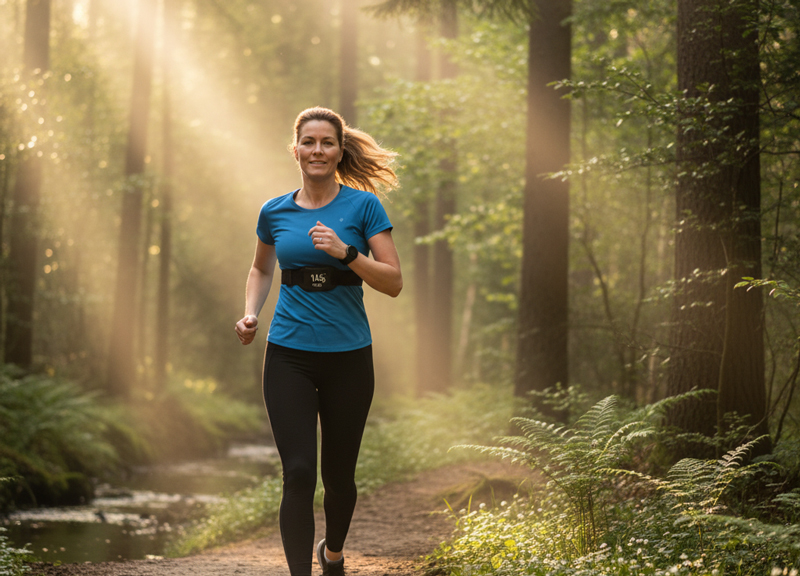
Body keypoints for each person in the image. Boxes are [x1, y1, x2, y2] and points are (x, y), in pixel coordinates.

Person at [234, 106, 402, 576]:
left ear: (339, 150)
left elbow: (392, 281)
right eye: (309, 142)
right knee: (300, 473)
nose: (317, 151)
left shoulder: (363, 208)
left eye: (327, 142)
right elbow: (261, 268)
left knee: (339, 479)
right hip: (288, 354)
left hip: (349, 357)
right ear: (296, 149)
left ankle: (332, 554)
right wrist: (251, 314)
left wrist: (346, 252)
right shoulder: (275, 211)